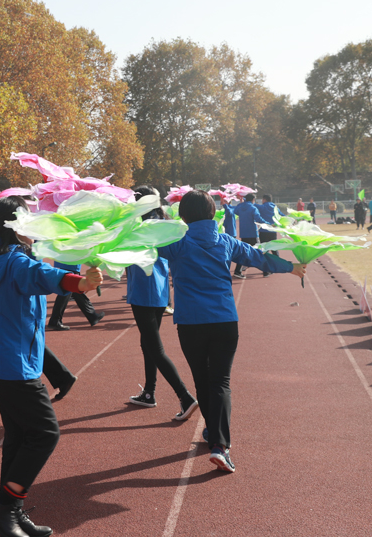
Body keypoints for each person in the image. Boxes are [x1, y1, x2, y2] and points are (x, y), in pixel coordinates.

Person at [0, 195, 103, 537]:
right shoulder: (16, 262)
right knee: (45, 433)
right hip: (15, 364)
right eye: (30, 219)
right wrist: (81, 283)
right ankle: (3, 508)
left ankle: (10, 511)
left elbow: (39, 271)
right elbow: (44, 275)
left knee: (18, 436)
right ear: (17, 226)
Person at [158, 190, 305, 473]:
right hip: (224, 321)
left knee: (203, 381)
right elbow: (258, 258)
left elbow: (139, 249)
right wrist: (291, 267)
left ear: (183, 216)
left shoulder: (176, 243)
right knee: (220, 382)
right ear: (213, 213)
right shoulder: (225, 241)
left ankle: (216, 437)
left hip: (190, 323)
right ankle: (220, 445)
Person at [123, 186, 197, 418]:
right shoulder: (162, 221)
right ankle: (149, 392)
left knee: (154, 348)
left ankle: (185, 396)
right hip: (159, 289)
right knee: (148, 344)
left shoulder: (139, 224)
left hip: (143, 289)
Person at [47, 261, 104, 330]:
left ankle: (92, 316)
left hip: (68, 262)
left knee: (75, 289)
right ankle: (55, 320)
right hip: (71, 263)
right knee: (68, 290)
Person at [231, 193, 268, 279]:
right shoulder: (253, 208)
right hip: (252, 233)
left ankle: (237, 271)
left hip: (244, 233)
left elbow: (235, 211)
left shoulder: (240, 207)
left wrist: (241, 203)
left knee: (243, 252)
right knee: (259, 252)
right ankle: (266, 271)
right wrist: (268, 223)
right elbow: (258, 219)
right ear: (253, 200)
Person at [256, 194, 283, 261]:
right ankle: (278, 263)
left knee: (264, 250)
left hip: (263, 231)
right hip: (273, 231)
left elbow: (251, 204)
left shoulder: (262, 207)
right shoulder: (275, 208)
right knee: (274, 249)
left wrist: (243, 199)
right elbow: (282, 216)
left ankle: (266, 265)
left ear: (264, 200)